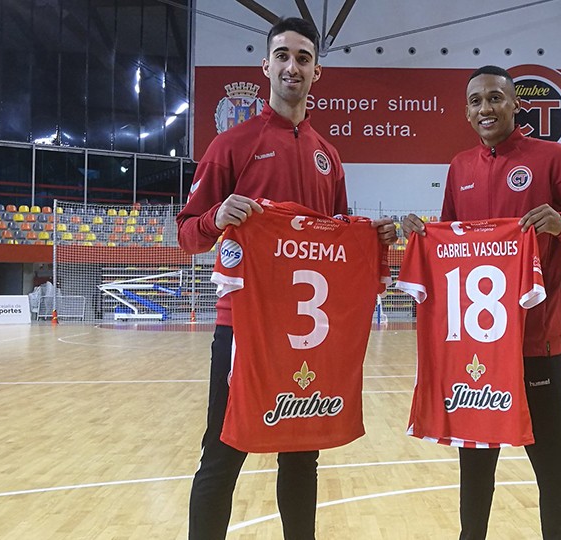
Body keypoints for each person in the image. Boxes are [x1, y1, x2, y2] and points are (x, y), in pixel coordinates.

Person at [176, 17, 396, 540]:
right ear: (265, 65)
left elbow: (340, 238)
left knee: (302, 456)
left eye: (302, 58)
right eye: (282, 56)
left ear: (317, 70)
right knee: (223, 451)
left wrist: (373, 239)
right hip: (244, 326)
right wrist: (215, 218)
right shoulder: (232, 145)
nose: (291, 66)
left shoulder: (329, 156)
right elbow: (188, 233)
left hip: (305, 333)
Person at [401, 65, 561, 539]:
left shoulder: (552, 158)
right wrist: (423, 237)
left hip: (533, 348)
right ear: (466, 111)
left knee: (554, 472)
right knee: (474, 474)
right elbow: (449, 249)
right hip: (476, 351)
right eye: (476, 101)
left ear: (516, 105)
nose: (486, 108)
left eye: (496, 98)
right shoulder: (459, 167)